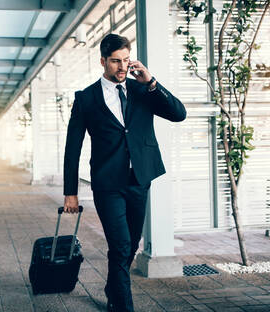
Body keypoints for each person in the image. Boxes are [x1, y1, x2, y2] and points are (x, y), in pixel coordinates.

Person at [62, 33, 186, 312]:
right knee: (119, 247)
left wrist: (152, 82)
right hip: (108, 183)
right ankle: (122, 306)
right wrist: (71, 192)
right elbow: (73, 147)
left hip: (138, 179)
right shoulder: (86, 99)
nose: (122, 67)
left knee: (131, 245)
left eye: (126, 60)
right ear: (103, 61)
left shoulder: (143, 90)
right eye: (116, 61)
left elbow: (179, 114)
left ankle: (112, 288)